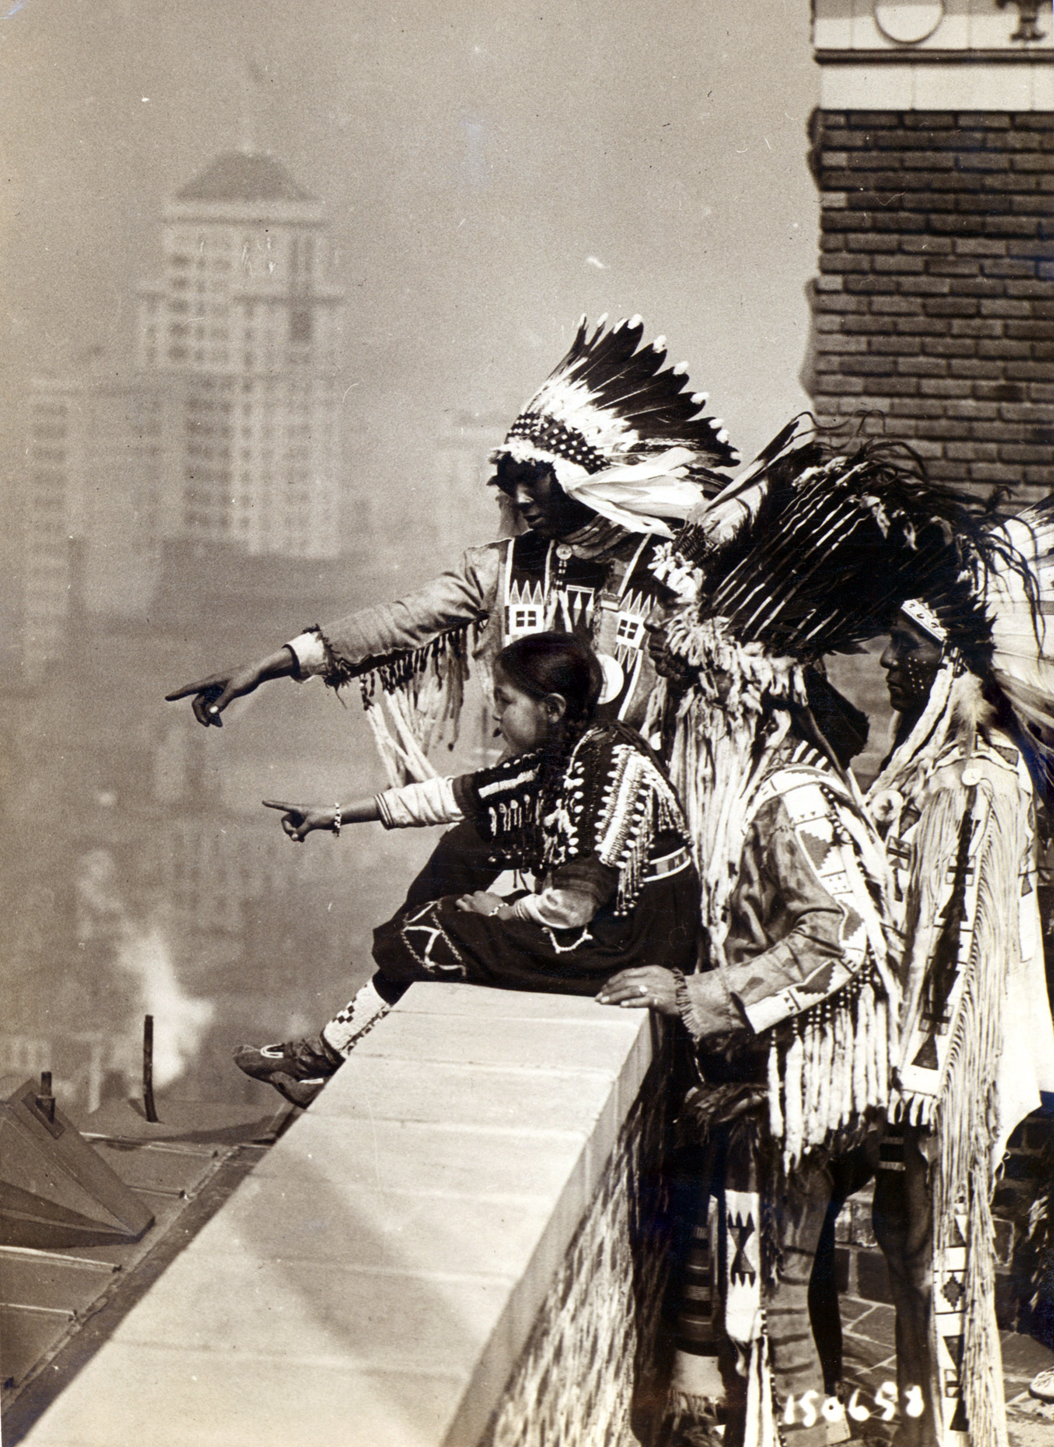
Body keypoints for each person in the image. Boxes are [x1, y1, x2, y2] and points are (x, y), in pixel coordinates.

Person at [235, 632, 700, 1107]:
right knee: (445, 922)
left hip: (627, 944)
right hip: (623, 927)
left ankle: (324, 1057)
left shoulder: (604, 770)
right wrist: (332, 814)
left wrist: (502, 912)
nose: (496, 715)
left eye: (504, 700)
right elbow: (454, 795)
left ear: (553, 707)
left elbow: (573, 907)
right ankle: (327, 1058)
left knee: (433, 931)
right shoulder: (576, 751)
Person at [866, 568, 1054, 1447]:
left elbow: (966, 932)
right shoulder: (942, 766)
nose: (889, 666)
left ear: (954, 668)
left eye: (907, 651)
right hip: (933, 1051)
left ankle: (943, 1429)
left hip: (952, 1060)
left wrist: (934, 1059)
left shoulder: (977, 779)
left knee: (935, 1244)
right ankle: (932, 1421)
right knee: (910, 1231)